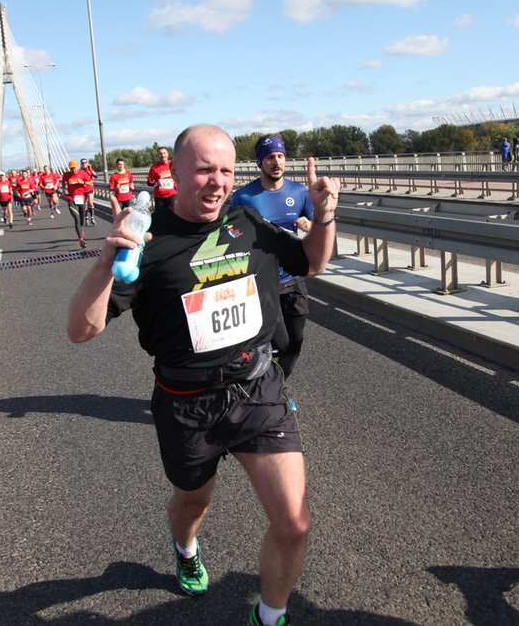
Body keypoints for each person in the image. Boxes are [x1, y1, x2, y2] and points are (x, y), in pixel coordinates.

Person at [67, 124, 339, 626]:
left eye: (226, 171)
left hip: (257, 389)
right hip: (185, 401)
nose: (218, 182)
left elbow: (312, 262)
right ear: (173, 171)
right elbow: (80, 330)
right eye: (205, 170)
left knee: (294, 522)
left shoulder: (247, 220)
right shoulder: (147, 241)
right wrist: (107, 259)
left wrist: (323, 216)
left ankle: (269, 617)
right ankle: (186, 549)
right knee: (194, 501)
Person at [231, 134, 314, 379]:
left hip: (293, 278)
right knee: (280, 343)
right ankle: (272, 389)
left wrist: (310, 225)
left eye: (280, 156)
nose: (276, 162)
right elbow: (230, 231)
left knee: (296, 341)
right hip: (263, 281)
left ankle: (278, 385)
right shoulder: (245, 197)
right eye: (269, 157)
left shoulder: (298, 191)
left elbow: (316, 225)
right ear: (259, 162)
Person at [61, 159, 92, 248]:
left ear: (77, 167)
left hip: (81, 198)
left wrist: (83, 182)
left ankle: (80, 231)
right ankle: (81, 239)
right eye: (71, 168)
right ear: (69, 168)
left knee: (81, 220)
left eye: (74, 168)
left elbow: (91, 183)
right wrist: (64, 189)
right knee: (76, 218)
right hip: (71, 198)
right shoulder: (66, 175)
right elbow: (63, 181)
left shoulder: (82, 173)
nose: (73, 170)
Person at [147, 146, 176, 210]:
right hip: (160, 197)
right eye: (160, 153)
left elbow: (180, 175)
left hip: (172, 195)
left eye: (164, 153)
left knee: (174, 214)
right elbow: (149, 182)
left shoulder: (174, 164)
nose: (162, 155)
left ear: (168, 154)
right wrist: (156, 183)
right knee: (160, 215)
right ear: (158, 155)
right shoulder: (154, 167)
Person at [81, 157, 98, 225]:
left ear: (87, 163)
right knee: (85, 204)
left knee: (90, 202)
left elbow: (96, 176)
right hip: (83, 189)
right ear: (81, 164)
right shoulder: (80, 171)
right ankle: (86, 218)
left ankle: (92, 218)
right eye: (82, 163)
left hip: (90, 188)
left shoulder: (89, 170)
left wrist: (91, 169)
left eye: (85, 163)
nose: (84, 164)